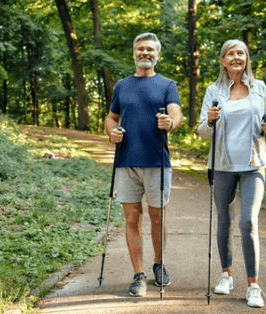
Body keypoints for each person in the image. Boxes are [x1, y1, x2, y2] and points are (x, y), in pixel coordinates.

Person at [197, 39, 266, 308]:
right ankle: (226, 275)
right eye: (231, 54)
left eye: (241, 53)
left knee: (248, 222)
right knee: (224, 220)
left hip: (253, 164)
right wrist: (209, 120)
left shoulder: (259, 88)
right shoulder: (214, 90)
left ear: (246, 59)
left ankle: (253, 285)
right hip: (221, 165)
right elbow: (201, 130)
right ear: (223, 60)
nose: (236, 57)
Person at [104, 32, 183, 297]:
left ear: (158, 55)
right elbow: (111, 117)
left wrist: (170, 123)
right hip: (126, 161)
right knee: (131, 218)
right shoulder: (121, 86)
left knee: (157, 216)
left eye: (150, 49)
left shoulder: (167, 85)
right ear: (134, 53)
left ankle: (159, 265)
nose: (145, 53)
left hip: (157, 161)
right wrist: (111, 131)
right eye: (140, 49)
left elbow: (176, 113)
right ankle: (138, 275)